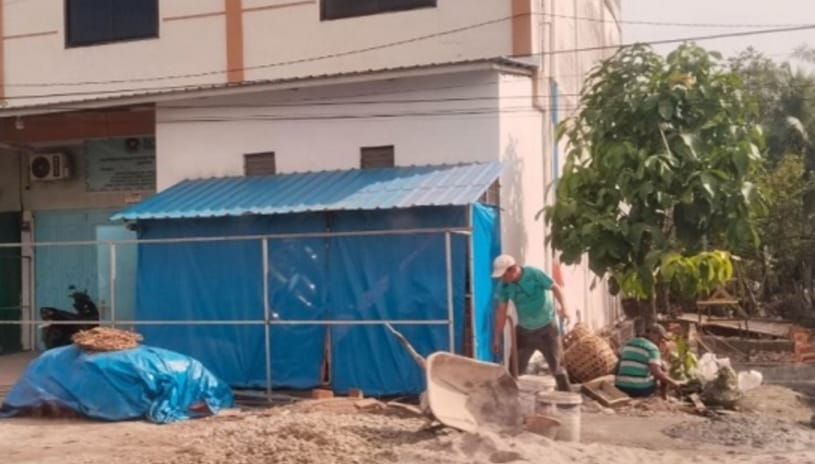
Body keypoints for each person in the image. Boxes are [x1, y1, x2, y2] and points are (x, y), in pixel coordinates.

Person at [491, 254, 572, 392]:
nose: (502, 279)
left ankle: (567, 400)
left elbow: (555, 288)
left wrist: (565, 308)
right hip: (524, 332)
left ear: (513, 269)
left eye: (504, 275)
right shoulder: (503, 286)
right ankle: (509, 401)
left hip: (547, 329)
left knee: (558, 369)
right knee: (513, 371)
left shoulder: (534, 274)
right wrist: (497, 338)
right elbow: (501, 312)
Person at [614, 323, 681, 398]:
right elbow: (657, 373)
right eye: (660, 338)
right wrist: (674, 383)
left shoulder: (629, 342)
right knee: (664, 368)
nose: (661, 341)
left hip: (620, 387)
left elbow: (617, 367)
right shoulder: (652, 348)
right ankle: (664, 396)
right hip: (639, 389)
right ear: (654, 335)